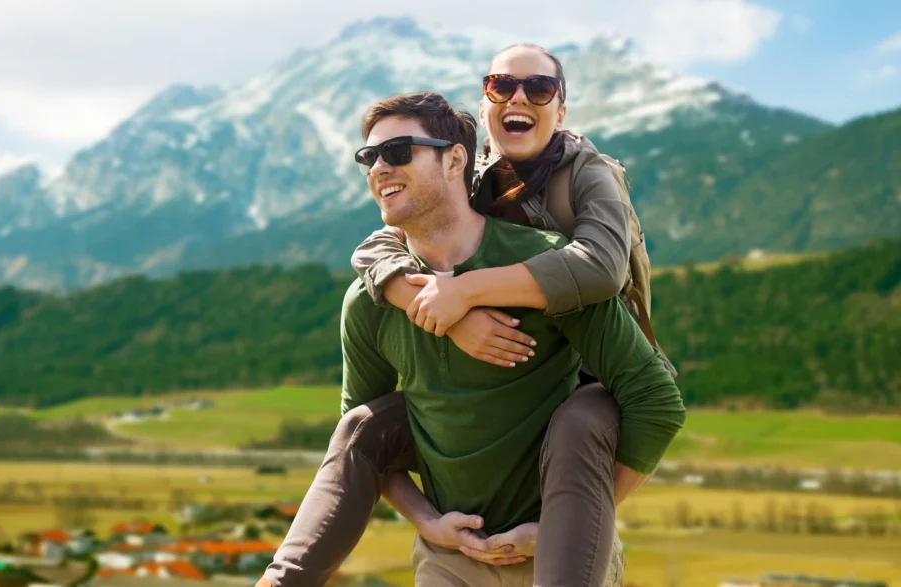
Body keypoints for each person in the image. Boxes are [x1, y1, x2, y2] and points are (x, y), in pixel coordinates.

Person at [259, 90, 684, 587]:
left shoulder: (546, 267)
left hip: (561, 558)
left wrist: (564, 525)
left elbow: (656, 402)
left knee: (586, 412)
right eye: (368, 157)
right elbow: (368, 447)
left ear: (456, 158)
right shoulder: (369, 301)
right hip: (449, 560)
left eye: (398, 152)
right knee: (362, 422)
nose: (379, 168)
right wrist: (426, 523)